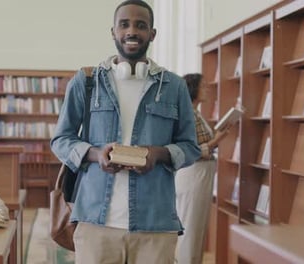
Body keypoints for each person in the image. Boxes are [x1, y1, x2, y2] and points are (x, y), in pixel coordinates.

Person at [50, 1, 201, 263]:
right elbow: (61, 140)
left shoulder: (174, 87)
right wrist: (96, 154)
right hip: (95, 222)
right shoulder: (86, 82)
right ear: (113, 32)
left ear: (152, 34)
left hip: (155, 224)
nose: (132, 31)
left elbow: (191, 147)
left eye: (141, 25)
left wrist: (159, 153)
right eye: (124, 24)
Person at [175, 73, 230, 264]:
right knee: (190, 225)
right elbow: (190, 149)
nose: (207, 89)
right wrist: (218, 140)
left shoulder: (195, 112)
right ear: (192, 89)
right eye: (203, 86)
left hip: (200, 174)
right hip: (193, 173)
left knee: (196, 226)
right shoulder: (187, 113)